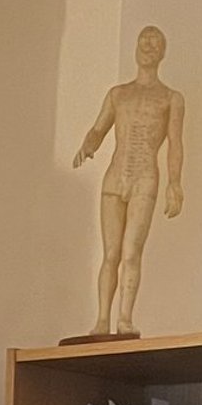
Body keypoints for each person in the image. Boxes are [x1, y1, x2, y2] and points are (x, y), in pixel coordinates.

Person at [73, 25, 184, 337]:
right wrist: (89, 144)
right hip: (115, 177)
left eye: (154, 43)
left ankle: (124, 318)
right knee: (111, 254)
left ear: (162, 52)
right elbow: (99, 128)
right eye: (143, 41)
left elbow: (175, 143)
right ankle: (102, 319)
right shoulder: (118, 94)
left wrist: (174, 183)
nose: (147, 47)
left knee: (131, 252)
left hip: (144, 178)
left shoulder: (171, 98)